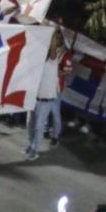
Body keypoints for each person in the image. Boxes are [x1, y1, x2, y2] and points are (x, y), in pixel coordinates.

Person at [26, 31, 68, 160]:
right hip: (34, 97)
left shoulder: (52, 59)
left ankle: (35, 150)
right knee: (30, 124)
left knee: (39, 126)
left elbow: (52, 49)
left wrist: (50, 33)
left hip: (47, 99)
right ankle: (30, 145)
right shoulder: (38, 60)